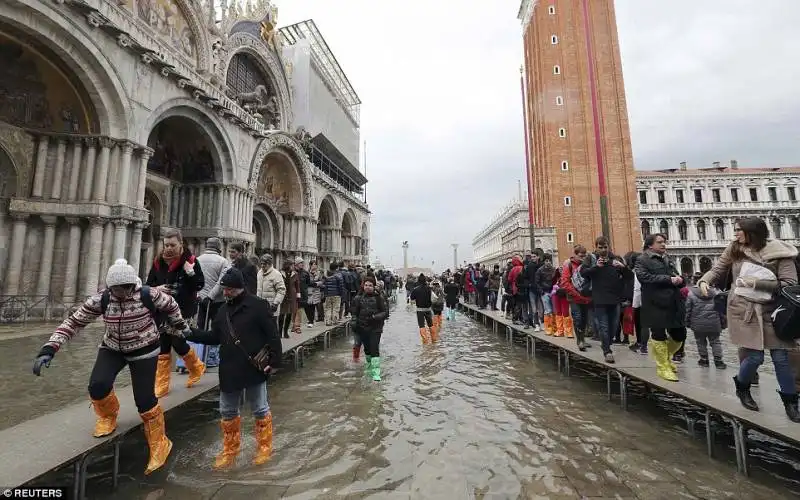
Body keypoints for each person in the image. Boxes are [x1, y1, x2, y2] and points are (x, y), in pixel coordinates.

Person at [32, 259, 190, 475]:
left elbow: (171, 304)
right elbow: (74, 322)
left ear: (132, 285)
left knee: (145, 400)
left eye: (126, 288)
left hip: (145, 348)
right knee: (97, 385)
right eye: (117, 289)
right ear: (109, 287)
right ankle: (108, 416)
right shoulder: (102, 299)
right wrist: (50, 348)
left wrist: (181, 325)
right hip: (113, 347)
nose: (122, 293)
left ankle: (160, 443)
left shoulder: (147, 295)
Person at [698, 217, 799, 422]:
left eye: (738, 230)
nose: (735, 234)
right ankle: (742, 387)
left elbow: (790, 284)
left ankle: (791, 402)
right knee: (754, 357)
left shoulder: (781, 253)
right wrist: (704, 280)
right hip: (744, 309)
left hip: (773, 312)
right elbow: (718, 269)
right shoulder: (735, 249)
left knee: (782, 359)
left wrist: (758, 283)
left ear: (752, 232)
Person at [185, 268, 284, 468]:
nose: (226, 293)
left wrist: (275, 362)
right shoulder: (222, 311)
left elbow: (273, 335)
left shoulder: (258, 306)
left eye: (229, 289)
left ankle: (264, 447)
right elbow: (214, 337)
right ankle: (230, 450)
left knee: (260, 408)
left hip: (253, 367)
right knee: (227, 410)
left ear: (239, 288)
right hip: (229, 368)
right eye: (224, 289)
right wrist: (189, 333)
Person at [146, 229, 206, 398]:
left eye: (172, 245)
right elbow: (148, 284)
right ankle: (162, 383)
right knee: (163, 343)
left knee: (178, 344)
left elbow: (199, 285)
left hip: (183, 309)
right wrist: (156, 289)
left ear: (181, 244)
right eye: (166, 245)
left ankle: (196, 367)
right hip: (162, 309)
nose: (169, 249)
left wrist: (190, 272)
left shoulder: (191, 261)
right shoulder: (158, 262)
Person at [635, 233, 686, 382]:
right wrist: (668, 279)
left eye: (664, 242)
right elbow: (643, 278)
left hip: (673, 301)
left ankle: (665, 356)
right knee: (658, 334)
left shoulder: (667, 258)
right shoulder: (642, 259)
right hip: (654, 302)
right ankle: (663, 366)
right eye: (660, 242)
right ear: (650, 245)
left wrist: (681, 280)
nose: (664, 244)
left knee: (680, 334)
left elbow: (677, 275)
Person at [580, 236, 632, 364]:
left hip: (615, 299)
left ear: (609, 246)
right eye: (600, 247)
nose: (603, 249)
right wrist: (596, 267)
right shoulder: (591, 259)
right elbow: (583, 273)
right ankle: (607, 351)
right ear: (596, 247)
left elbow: (630, 276)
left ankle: (606, 344)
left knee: (613, 327)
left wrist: (622, 267)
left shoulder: (616, 259)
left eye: (605, 247)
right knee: (604, 327)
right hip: (599, 298)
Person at [350, 277, 389, 381]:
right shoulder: (358, 298)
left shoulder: (379, 298)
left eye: (370, 285)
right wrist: (354, 322)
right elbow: (354, 312)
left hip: (376, 328)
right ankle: (368, 367)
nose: (368, 287)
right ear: (363, 286)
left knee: (374, 348)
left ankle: (376, 372)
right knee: (367, 349)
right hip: (362, 328)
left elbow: (385, 312)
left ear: (374, 286)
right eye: (366, 285)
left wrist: (374, 317)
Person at [685, 283, 727, 369]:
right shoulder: (716, 293)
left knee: (700, 342)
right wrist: (723, 323)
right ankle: (718, 361)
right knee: (715, 341)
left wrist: (687, 322)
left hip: (698, 324)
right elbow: (721, 311)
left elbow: (688, 310)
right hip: (714, 323)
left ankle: (704, 360)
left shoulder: (691, 294)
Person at [256, 254, 287, 320]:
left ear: (269, 264)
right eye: (261, 264)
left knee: (271, 328)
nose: (262, 266)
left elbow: (281, 290)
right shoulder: (259, 273)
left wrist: (275, 303)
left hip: (271, 307)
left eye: (264, 264)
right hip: (260, 307)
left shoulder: (276, 274)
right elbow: (258, 289)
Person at [410, 273, 434, 344]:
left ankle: (425, 342)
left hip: (420, 310)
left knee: (421, 326)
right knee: (431, 324)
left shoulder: (416, 290)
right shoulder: (429, 289)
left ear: (418, 281)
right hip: (428, 309)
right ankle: (434, 340)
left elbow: (412, 299)